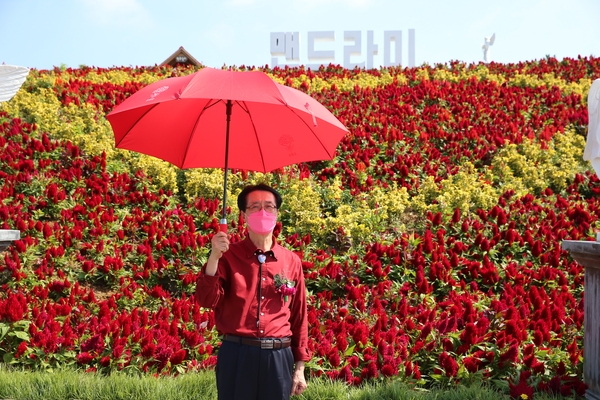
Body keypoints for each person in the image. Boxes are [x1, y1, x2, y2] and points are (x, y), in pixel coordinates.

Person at [195, 183, 310, 400]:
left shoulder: (291, 260)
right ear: (244, 214)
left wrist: (300, 368)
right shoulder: (227, 256)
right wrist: (214, 257)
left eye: (269, 207)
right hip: (238, 354)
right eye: (255, 207)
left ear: (277, 212)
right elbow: (206, 300)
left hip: (278, 356)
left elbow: (299, 315)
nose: (263, 212)